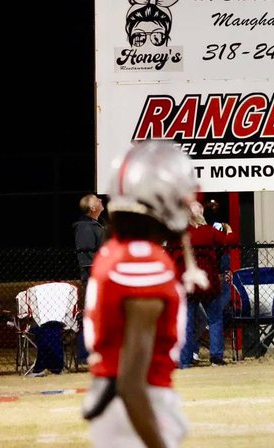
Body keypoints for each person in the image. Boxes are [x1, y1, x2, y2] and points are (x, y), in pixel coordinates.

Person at [81, 139, 207, 448]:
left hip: (118, 401)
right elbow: (131, 382)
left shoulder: (119, 249)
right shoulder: (143, 262)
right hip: (137, 403)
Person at [168, 202, 233, 367]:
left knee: (187, 321)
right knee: (215, 318)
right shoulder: (210, 232)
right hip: (207, 282)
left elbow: (170, 252)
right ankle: (216, 356)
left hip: (187, 282)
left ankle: (184, 359)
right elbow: (228, 242)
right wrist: (229, 230)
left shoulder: (179, 234)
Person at [74, 193, 106, 365]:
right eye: (97, 200)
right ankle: (85, 354)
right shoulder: (85, 227)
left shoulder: (95, 225)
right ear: (92, 208)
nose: (101, 201)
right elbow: (86, 258)